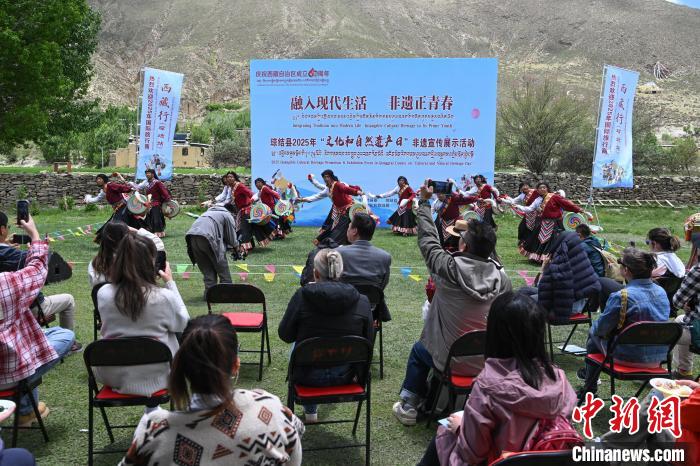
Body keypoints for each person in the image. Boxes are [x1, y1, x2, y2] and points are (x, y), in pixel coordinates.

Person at [393, 183, 511, 426]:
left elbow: (428, 240)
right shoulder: (503, 278)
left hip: (449, 360)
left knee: (419, 350)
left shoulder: (448, 268)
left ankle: (409, 406)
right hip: (488, 359)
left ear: (463, 245)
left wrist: (424, 202)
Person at [119, 314, 304, 466]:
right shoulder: (270, 407)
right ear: (235, 365)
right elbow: (294, 455)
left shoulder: (154, 432)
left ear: (183, 367)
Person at [418, 292, 577, 466]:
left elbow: (472, 454)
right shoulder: (560, 381)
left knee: (443, 435)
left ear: (495, 333)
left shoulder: (489, 387)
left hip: (499, 461)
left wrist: (460, 428)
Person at [278, 249, 373, 423]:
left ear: (315, 273)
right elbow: (368, 342)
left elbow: (285, 335)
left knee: (300, 344)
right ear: (341, 272)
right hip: (348, 376)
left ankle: (310, 412)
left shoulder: (302, 296)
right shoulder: (363, 301)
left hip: (306, 377)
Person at [0, 215, 75, 427]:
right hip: (10, 374)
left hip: (11, 357)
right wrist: (34, 234)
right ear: (3, 229)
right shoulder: (6, 284)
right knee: (64, 336)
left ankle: (27, 411)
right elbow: (37, 269)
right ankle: (26, 409)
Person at [95, 234, 189, 396]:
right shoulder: (163, 297)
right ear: (150, 261)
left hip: (111, 372)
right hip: (158, 372)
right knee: (173, 332)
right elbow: (183, 323)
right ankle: (153, 406)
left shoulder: (103, 293)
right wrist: (170, 283)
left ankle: (152, 406)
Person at [578, 248, 671, 397]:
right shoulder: (661, 292)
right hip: (657, 359)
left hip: (627, 357)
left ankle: (589, 389)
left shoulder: (622, 296)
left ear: (626, 270)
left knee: (593, 337)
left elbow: (601, 329)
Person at [0, 211, 81, 354]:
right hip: (27, 308)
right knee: (68, 300)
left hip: (5, 311)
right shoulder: (18, 256)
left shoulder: (10, 253)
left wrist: (5, 245)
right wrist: (35, 238)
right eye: (8, 227)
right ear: (2, 230)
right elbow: (40, 268)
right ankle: (70, 345)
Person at [519, 231, 601, 322]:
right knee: (524, 291)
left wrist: (544, 268)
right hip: (575, 303)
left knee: (523, 301)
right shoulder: (581, 260)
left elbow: (545, 291)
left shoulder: (562, 265)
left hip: (566, 309)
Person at [515, 182, 591, 263]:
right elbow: (530, 209)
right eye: (540, 188)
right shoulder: (538, 200)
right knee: (538, 240)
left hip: (555, 223)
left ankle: (552, 259)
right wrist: (518, 206)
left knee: (554, 241)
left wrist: (580, 210)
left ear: (547, 189)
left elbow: (566, 204)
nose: (542, 189)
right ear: (537, 190)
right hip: (542, 223)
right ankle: (539, 258)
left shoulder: (554, 197)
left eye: (544, 187)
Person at [338, 212, 393, 322]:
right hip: (370, 309)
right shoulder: (385, 256)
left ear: (354, 231)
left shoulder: (337, 253)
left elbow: (331, 282)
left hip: (342, 308)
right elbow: (382, 285)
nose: (347, 230)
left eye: (349, 227)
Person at [185, 205, 239, 299]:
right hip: (208, 237)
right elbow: (232, 238)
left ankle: (209, 296)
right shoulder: (227, 215)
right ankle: (226, 294)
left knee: (207, 270)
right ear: (232, 213)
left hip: (192, 237)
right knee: (222, 268)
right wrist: (237, 247)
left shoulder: (207, 213)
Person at [88, 222, 165, 287]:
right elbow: (158, 243)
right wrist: (136, 231)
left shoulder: (94, 264)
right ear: (128, 237)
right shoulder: (136, 259)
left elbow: (96, 288)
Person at [298, 170, 363, 245]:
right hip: (337, 209)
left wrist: (357, 192)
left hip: (348, 209)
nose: (325, 179)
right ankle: (324, 241)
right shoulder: (327, 189)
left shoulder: (339, 185)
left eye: (327, 177)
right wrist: (303, 199)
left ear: (331, 177)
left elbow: (346, 189)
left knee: (341, 227)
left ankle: (336, 243)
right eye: (324, 177)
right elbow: (317, 196)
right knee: (332, 225)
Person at [86, 173, 143, 241]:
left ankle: (123, 239)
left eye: (100, 179)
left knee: (116, 223)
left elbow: (121, 187)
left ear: (104, 180)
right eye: (97, 179)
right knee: (117, 223)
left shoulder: (111, 185)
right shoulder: (103, 191)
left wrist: (129, 189)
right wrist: (88, 199)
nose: (98, 180)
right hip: (117, 209)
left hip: (123, 207)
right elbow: (97, 199)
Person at [229, 172, 275, 253]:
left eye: (231, 177)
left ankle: (245, 247)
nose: (229, 178)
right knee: (253, 227)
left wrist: (253, 200)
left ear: (235, 178)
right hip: (242, 211)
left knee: (245, 228)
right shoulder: (232, 187)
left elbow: (250, 193)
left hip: (246, 211)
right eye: (228, 177)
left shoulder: (239, 186)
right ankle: (250, 246)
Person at [671, 260, 700, 379]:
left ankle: (648, 368)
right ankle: (684, 371)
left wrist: (685, 304)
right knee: (680, 319)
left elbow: (677, 302)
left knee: (660, 332)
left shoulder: (698, 271)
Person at [130, 168, 172, 237]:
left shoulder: (157, 182)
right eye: (146, 173)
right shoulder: (147, 183)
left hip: (156, 203)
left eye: (148, 173)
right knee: (149, 218)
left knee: (156, 218)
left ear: (153, 174)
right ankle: (151, 231)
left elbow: (164, 192)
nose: (147, 174)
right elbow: (138, 187)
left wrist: (168, 201)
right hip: (148, 203)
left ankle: (159, 233)